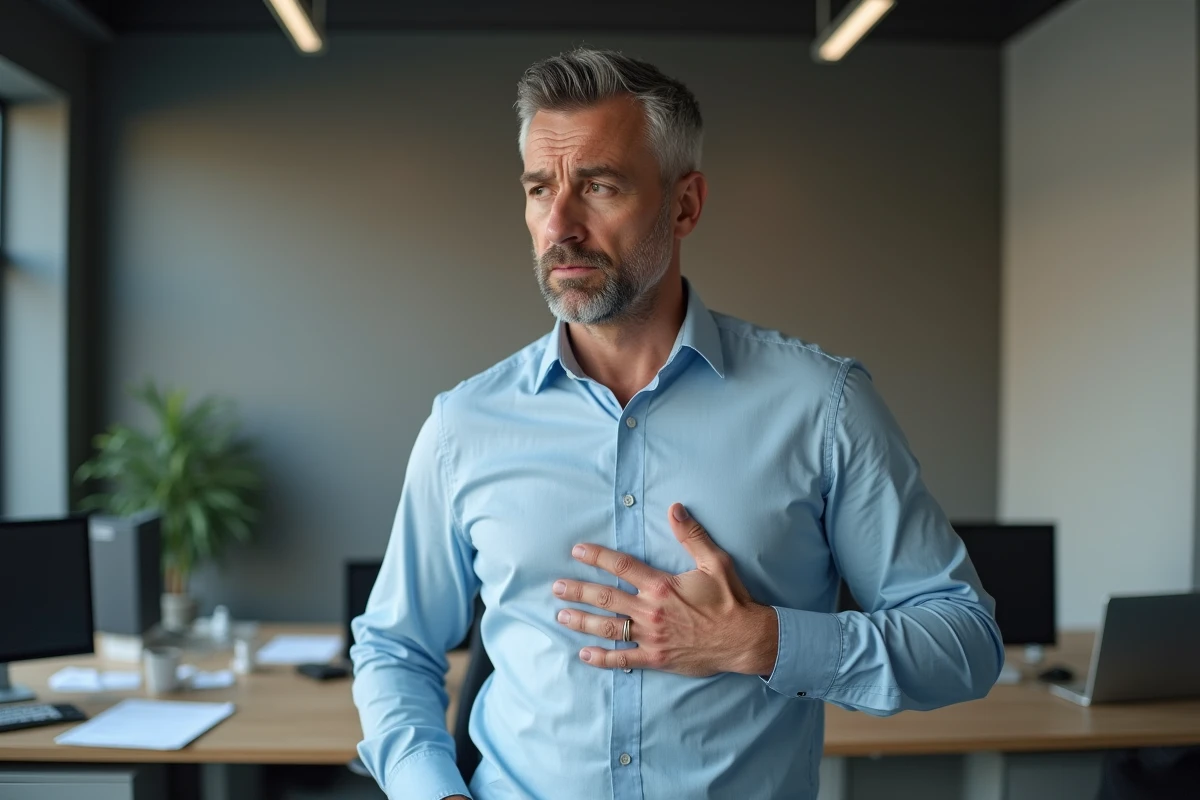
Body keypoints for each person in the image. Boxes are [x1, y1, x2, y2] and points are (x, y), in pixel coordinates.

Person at [351, 48, 1003, 800]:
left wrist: (764, 641)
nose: (559, 224)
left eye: (598, 186)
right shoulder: (465, 426)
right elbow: (394, 648)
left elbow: (965, 640)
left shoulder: (821, 407)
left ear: (685, 205)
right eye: (539, 189)